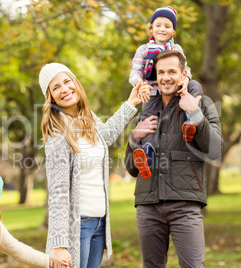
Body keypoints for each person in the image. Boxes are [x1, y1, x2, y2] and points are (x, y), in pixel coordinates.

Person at [38, 62, 150, 268]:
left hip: (99, 222)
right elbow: (58, 192)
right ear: (50, 97)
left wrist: (131, 102)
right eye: (55, 87)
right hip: (77, 226)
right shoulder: (57, 134)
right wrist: (58, 243)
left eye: (66, 81)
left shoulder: (88, 119)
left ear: (75, 83)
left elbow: (106, 135)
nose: (64, 89)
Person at [124, 50, 224, 268]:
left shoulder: (202, 102)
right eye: (161, 72)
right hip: (148, 206)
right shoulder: (147, 108)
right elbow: (131, 169)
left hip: (185, 205)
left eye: (171, 71)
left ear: (183, 74)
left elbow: (215, 150)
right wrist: (134, 138)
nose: (165, 77)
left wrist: (195, 114)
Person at [129, 6, 203, 178]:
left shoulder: (176, 49)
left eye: (167, 26)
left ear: (173, 31)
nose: (162, 29)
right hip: (152, 92)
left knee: (195, 85)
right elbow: (135, 72)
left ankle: (189, 124)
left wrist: (185, 80)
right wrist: (140, 85)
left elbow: (186, 69)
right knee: (150, 123)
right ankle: (147, 154)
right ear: (151, 28)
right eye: (158, 25)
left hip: (177, 89)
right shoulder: (143, 50)